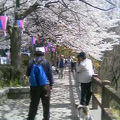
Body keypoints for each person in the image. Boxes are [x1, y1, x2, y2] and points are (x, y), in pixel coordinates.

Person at [26, 47, 54, 120]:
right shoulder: (47, 62)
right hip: (45, 85)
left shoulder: (31, 62)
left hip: (34, 86)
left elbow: (27, 73)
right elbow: (50, 74)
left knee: (34, 103)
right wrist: (51, 84)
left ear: (35, 53)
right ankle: (46, 118)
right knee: (46, 104)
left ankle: (31, 117)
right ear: (43, 53)